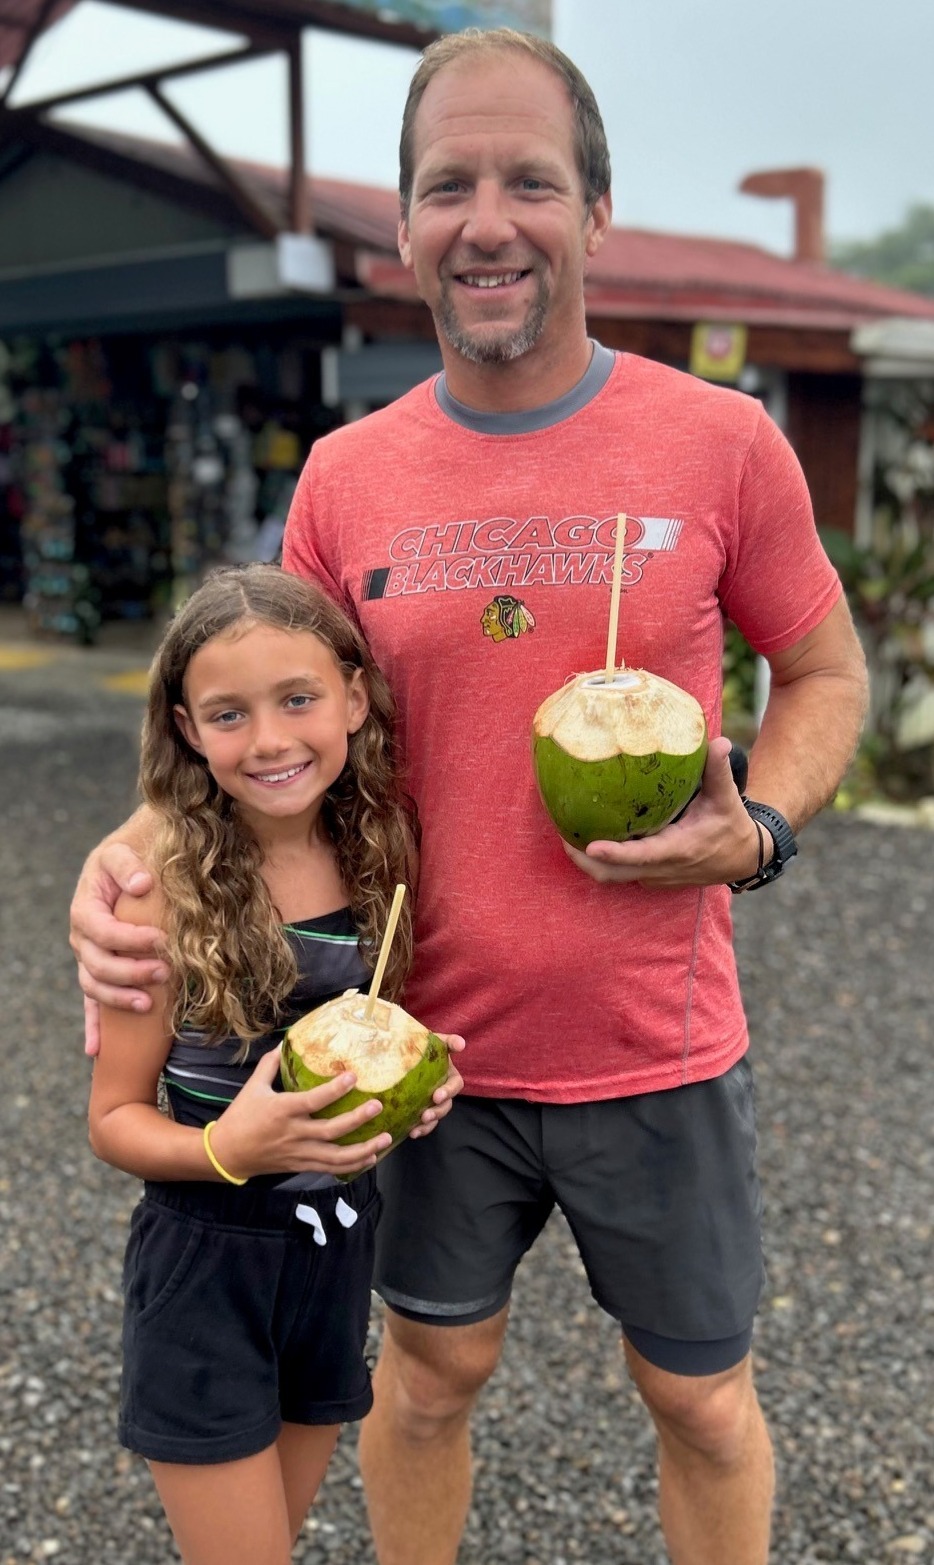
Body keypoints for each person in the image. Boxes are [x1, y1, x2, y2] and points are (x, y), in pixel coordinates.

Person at [71, 28, 869, 1565]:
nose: (486, 221)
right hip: (413, 1040)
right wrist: (119, 856)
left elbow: (824, 669)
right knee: (429, 1380)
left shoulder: (719, 441)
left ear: (596, 213)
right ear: (402, 222)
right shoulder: (344, 475)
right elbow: (259, 717)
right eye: (448, 185)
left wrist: (758, 827)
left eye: (529, 182)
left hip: (654, 1043)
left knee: (700, 1400)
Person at [86, 563, 464, 1565]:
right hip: (207, 1255)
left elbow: (375, 1033)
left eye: (298, 698)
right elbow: (112, 1116)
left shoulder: (377, 848)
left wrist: (416, 1083)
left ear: (353, 696)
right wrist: (230, 1146)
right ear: (186, 727)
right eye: (228, 713)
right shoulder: (157, 886)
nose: (268, 739)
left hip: (335, 1244)